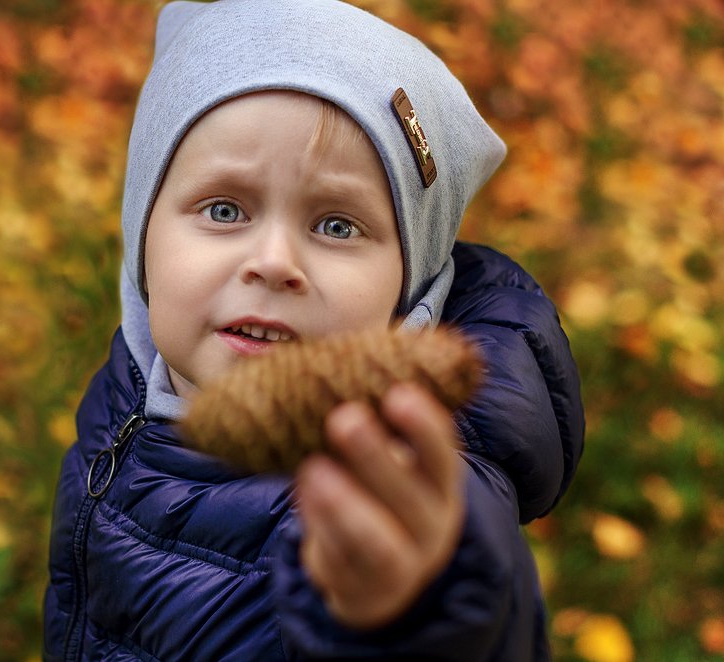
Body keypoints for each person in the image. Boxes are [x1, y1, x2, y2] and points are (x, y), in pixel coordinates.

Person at [43, 1, 584, 660]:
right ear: (144, 233)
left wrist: (409, 615)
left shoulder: (407, 497)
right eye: (224, 209)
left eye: (337, 225)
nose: (273, 263)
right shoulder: (135, 384)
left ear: (407, 285)